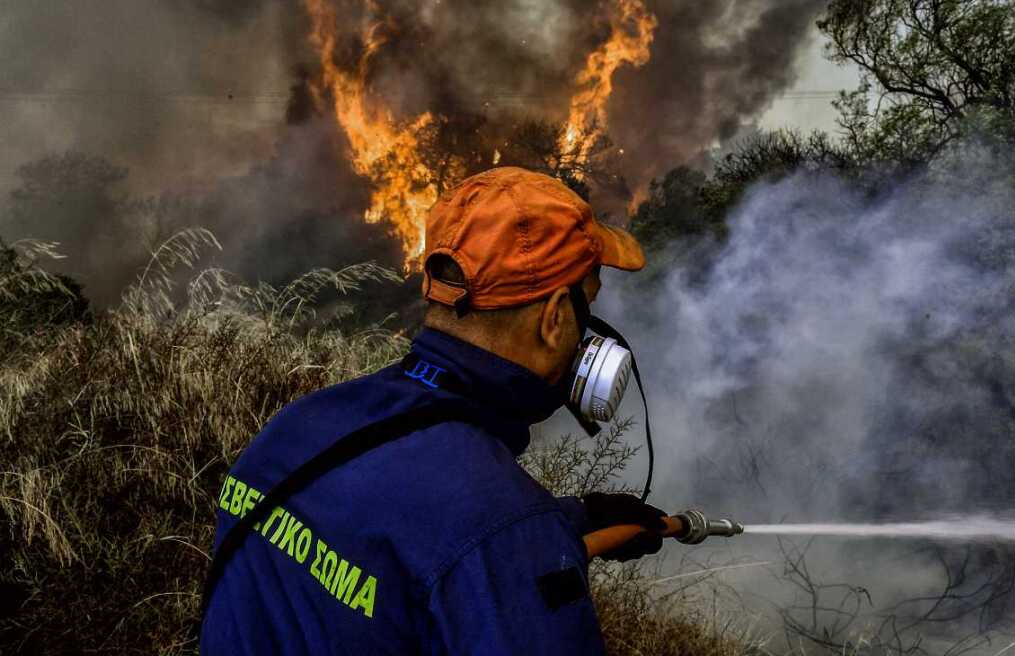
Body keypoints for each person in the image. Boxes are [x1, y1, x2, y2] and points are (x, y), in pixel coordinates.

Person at [201, 166, 666, 654]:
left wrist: (566, 521)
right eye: (586, 306)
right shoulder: (505, 532)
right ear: (553, 320)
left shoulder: (299, 425)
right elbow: (465, 539)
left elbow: (385, 528)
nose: (589, 333)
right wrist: (532, 543)